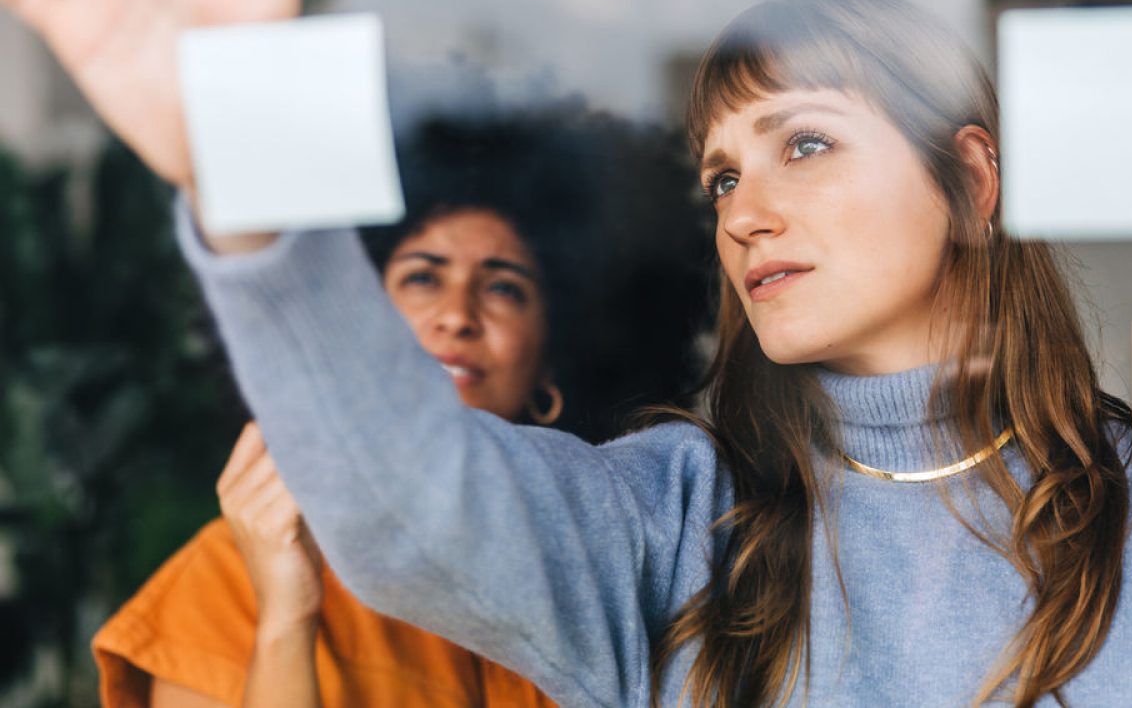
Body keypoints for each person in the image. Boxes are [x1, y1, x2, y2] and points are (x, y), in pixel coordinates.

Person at [4, 0, 1132, 708]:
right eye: (723, 175)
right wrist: (241, 174)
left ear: (972, 184)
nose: (745, 213)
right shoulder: (674, 521)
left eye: (806, 143)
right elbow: (407, 502)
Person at [88, 108, 714, 707]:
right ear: (357, 328)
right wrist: (286, 615)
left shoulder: (614, 570)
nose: (457, 314)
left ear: (552, 370)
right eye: (422, 276)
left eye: (503, 287)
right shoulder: (224, 578)